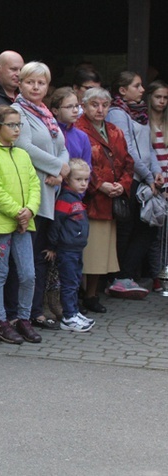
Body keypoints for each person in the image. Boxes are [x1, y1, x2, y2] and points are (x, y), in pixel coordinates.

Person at [12, 62, 70, 330]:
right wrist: (58, 167)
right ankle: (22, 313)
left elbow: (62, 147)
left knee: (40, 258)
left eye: (41, 83)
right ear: (20, 84)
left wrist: (61, 170)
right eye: (30, 82)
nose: (36, 87)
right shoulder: (18, 111)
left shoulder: (45, 113)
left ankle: (35, 310)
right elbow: (24, 147)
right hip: (30, 193)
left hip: (49, 191)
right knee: (27, 259)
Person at [0, 105, 41, 345]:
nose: (16, 130)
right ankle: (1, 321)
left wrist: (31, 210)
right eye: (12, 125)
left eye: (19, 125)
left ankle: (23, 318)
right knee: (0, 272)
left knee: (28, 274)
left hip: (24, 224)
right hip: (2, 225)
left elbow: (34, 184)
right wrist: (18, 212)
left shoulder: (23, 154)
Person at [74, 87, 134, 312]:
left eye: (105, 105)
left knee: (100, 255)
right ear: (84, 105)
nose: (100, 109)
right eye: (94, 104)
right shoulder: (78, 128)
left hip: (110, 202)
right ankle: (76, 294)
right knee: (83, 252)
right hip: (88, 199)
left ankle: (91, 295)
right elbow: (77, 163)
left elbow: (128, 162)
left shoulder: (115, 131)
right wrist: (100, 185)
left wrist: (123, 185)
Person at [105, 71, 157, 298]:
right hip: (131, 181)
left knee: (146, 228)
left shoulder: (141, 114)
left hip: (146, 180)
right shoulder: (117, 113)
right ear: (123, 90)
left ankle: (125, 276)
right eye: (137, 85)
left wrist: (157, 173)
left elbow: (149, 148)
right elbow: (127, 150)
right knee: (131, 229)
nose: (143, 90)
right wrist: (147, 176)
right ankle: (119, 277)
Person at [44, 159, 95, 332]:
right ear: (67, 180)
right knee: (69, 283)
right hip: (67, 250)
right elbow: (56, 224)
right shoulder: (65, 200)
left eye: (86, 180)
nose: (83, 184)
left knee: (75, 281)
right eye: (78, 179)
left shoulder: (76, 199)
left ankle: (74, 311)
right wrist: (52, 246)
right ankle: (69, 316)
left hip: (76, 248)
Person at [146, 80, 168, 291]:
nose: (161, 101)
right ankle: (157, 276)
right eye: (158, 97)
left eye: (165, 97)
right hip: (156, 182)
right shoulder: (145, 121)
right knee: (158, 236)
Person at [49, 87, 92, 168]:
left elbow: (87, 167)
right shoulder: (49, 133)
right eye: (69, 107)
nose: (75, 110)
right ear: (55, 111)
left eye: (76, 106)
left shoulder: (82, 137)